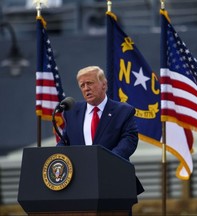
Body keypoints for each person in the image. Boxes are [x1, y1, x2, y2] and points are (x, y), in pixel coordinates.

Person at [57, 65, 144, 195]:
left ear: (104, 84)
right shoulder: (72, 112)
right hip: (79, 183)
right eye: (82, 85)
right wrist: (56, 157)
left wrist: (107, 161)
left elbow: (129, 140)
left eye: (90, 83)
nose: (86, 88)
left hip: (113, 179)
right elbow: (65, 141)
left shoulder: (123, 111)